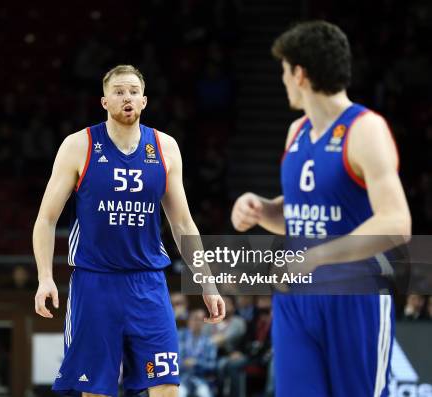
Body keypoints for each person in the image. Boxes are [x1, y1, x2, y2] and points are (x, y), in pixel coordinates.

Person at [230, 21, 411, 396]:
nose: (282, 81)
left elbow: (396, 223)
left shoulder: (366, 129)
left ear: (300, 73)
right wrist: (262, 211)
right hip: (296, 299)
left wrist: (317, 258)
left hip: (354, 296)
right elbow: (299, 215)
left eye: (283, 71)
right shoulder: (296, 132)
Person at [33, 64, 225, 397]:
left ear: (145, 101)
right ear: (104, 101)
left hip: (148, 282)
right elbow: (46, 219)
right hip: (95, 282)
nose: (127, 98)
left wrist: (207, 282)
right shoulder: (79, 145)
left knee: (166, 386)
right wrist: (45, 277)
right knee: (96, 391)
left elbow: (182, 224)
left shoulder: (164, 148)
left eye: (134, 92)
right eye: (119, 91)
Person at [178, 309, 217, 397]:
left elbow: (212, 365)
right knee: (180, 394)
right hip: (181, 378)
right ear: (189, 321)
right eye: (195, 319)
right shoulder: (179, 337)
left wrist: (197, 363)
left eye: (201, 320)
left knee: (205, 394)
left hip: (200, 379)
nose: (197, 322)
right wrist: (183, 363)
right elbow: (172, 360)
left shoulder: (209, 342)